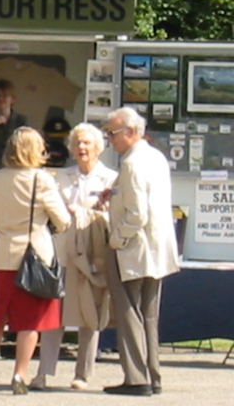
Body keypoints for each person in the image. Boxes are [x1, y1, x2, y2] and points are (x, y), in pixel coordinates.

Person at [0, 126, 70, 395]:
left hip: (3, 254)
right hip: (34, 255)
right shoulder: (42, 179)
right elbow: (63, 220)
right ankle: (19, 377)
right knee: (30, 321)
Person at [29, 123, 117, 391]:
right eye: (77, 143)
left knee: (90, 314)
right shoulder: (60, 177)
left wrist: (96, 210)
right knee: (53, 313)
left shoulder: (112, 179)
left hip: (94, 255)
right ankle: (43, 373)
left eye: (87, 143)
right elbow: (51, 213)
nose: (81, 148)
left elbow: (115, 215)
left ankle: (83, 375)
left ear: (98, 148)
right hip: (63, 253)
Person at [101, 107, 180, 396]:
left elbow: (136, 215)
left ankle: (136, 378)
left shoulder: (132, 163)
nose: (110, 139)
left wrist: (116, 240)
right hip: (156, 249)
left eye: (113, 133)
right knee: (148, 315)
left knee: (129, 312)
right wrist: (114, 194)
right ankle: (152, 375)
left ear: (131, 132)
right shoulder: (155, 157)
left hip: (133, 249)